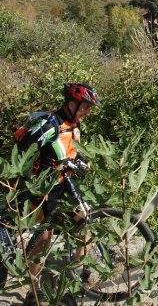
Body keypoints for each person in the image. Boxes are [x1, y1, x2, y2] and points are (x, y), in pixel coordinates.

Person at [15, 83, 100, 304]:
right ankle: (33, 291)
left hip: (65, 185)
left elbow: (68, 153)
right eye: (85, 107)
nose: (87, 112)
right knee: (43, 237)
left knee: (85, 221)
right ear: (71, 104)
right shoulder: (50, 125)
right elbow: (23, 151)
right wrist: (29, 184)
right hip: (44, 187)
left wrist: (81, 163)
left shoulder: (74, 125)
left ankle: (78, 274)